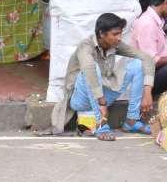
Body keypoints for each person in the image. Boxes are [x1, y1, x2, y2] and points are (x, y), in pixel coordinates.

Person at [50, 13, 155, 141]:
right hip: (81, 100)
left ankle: (131, 121)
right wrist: (101, 102)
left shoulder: (115, 45)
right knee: (92, 68)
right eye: (115, 34)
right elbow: (89, 68)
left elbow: (147, 58)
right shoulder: (85, 46)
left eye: (120, 33)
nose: (119, 38)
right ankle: (102, 126)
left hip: (103, 98)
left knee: (138, 64)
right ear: (101, 34)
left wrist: (147, 91)